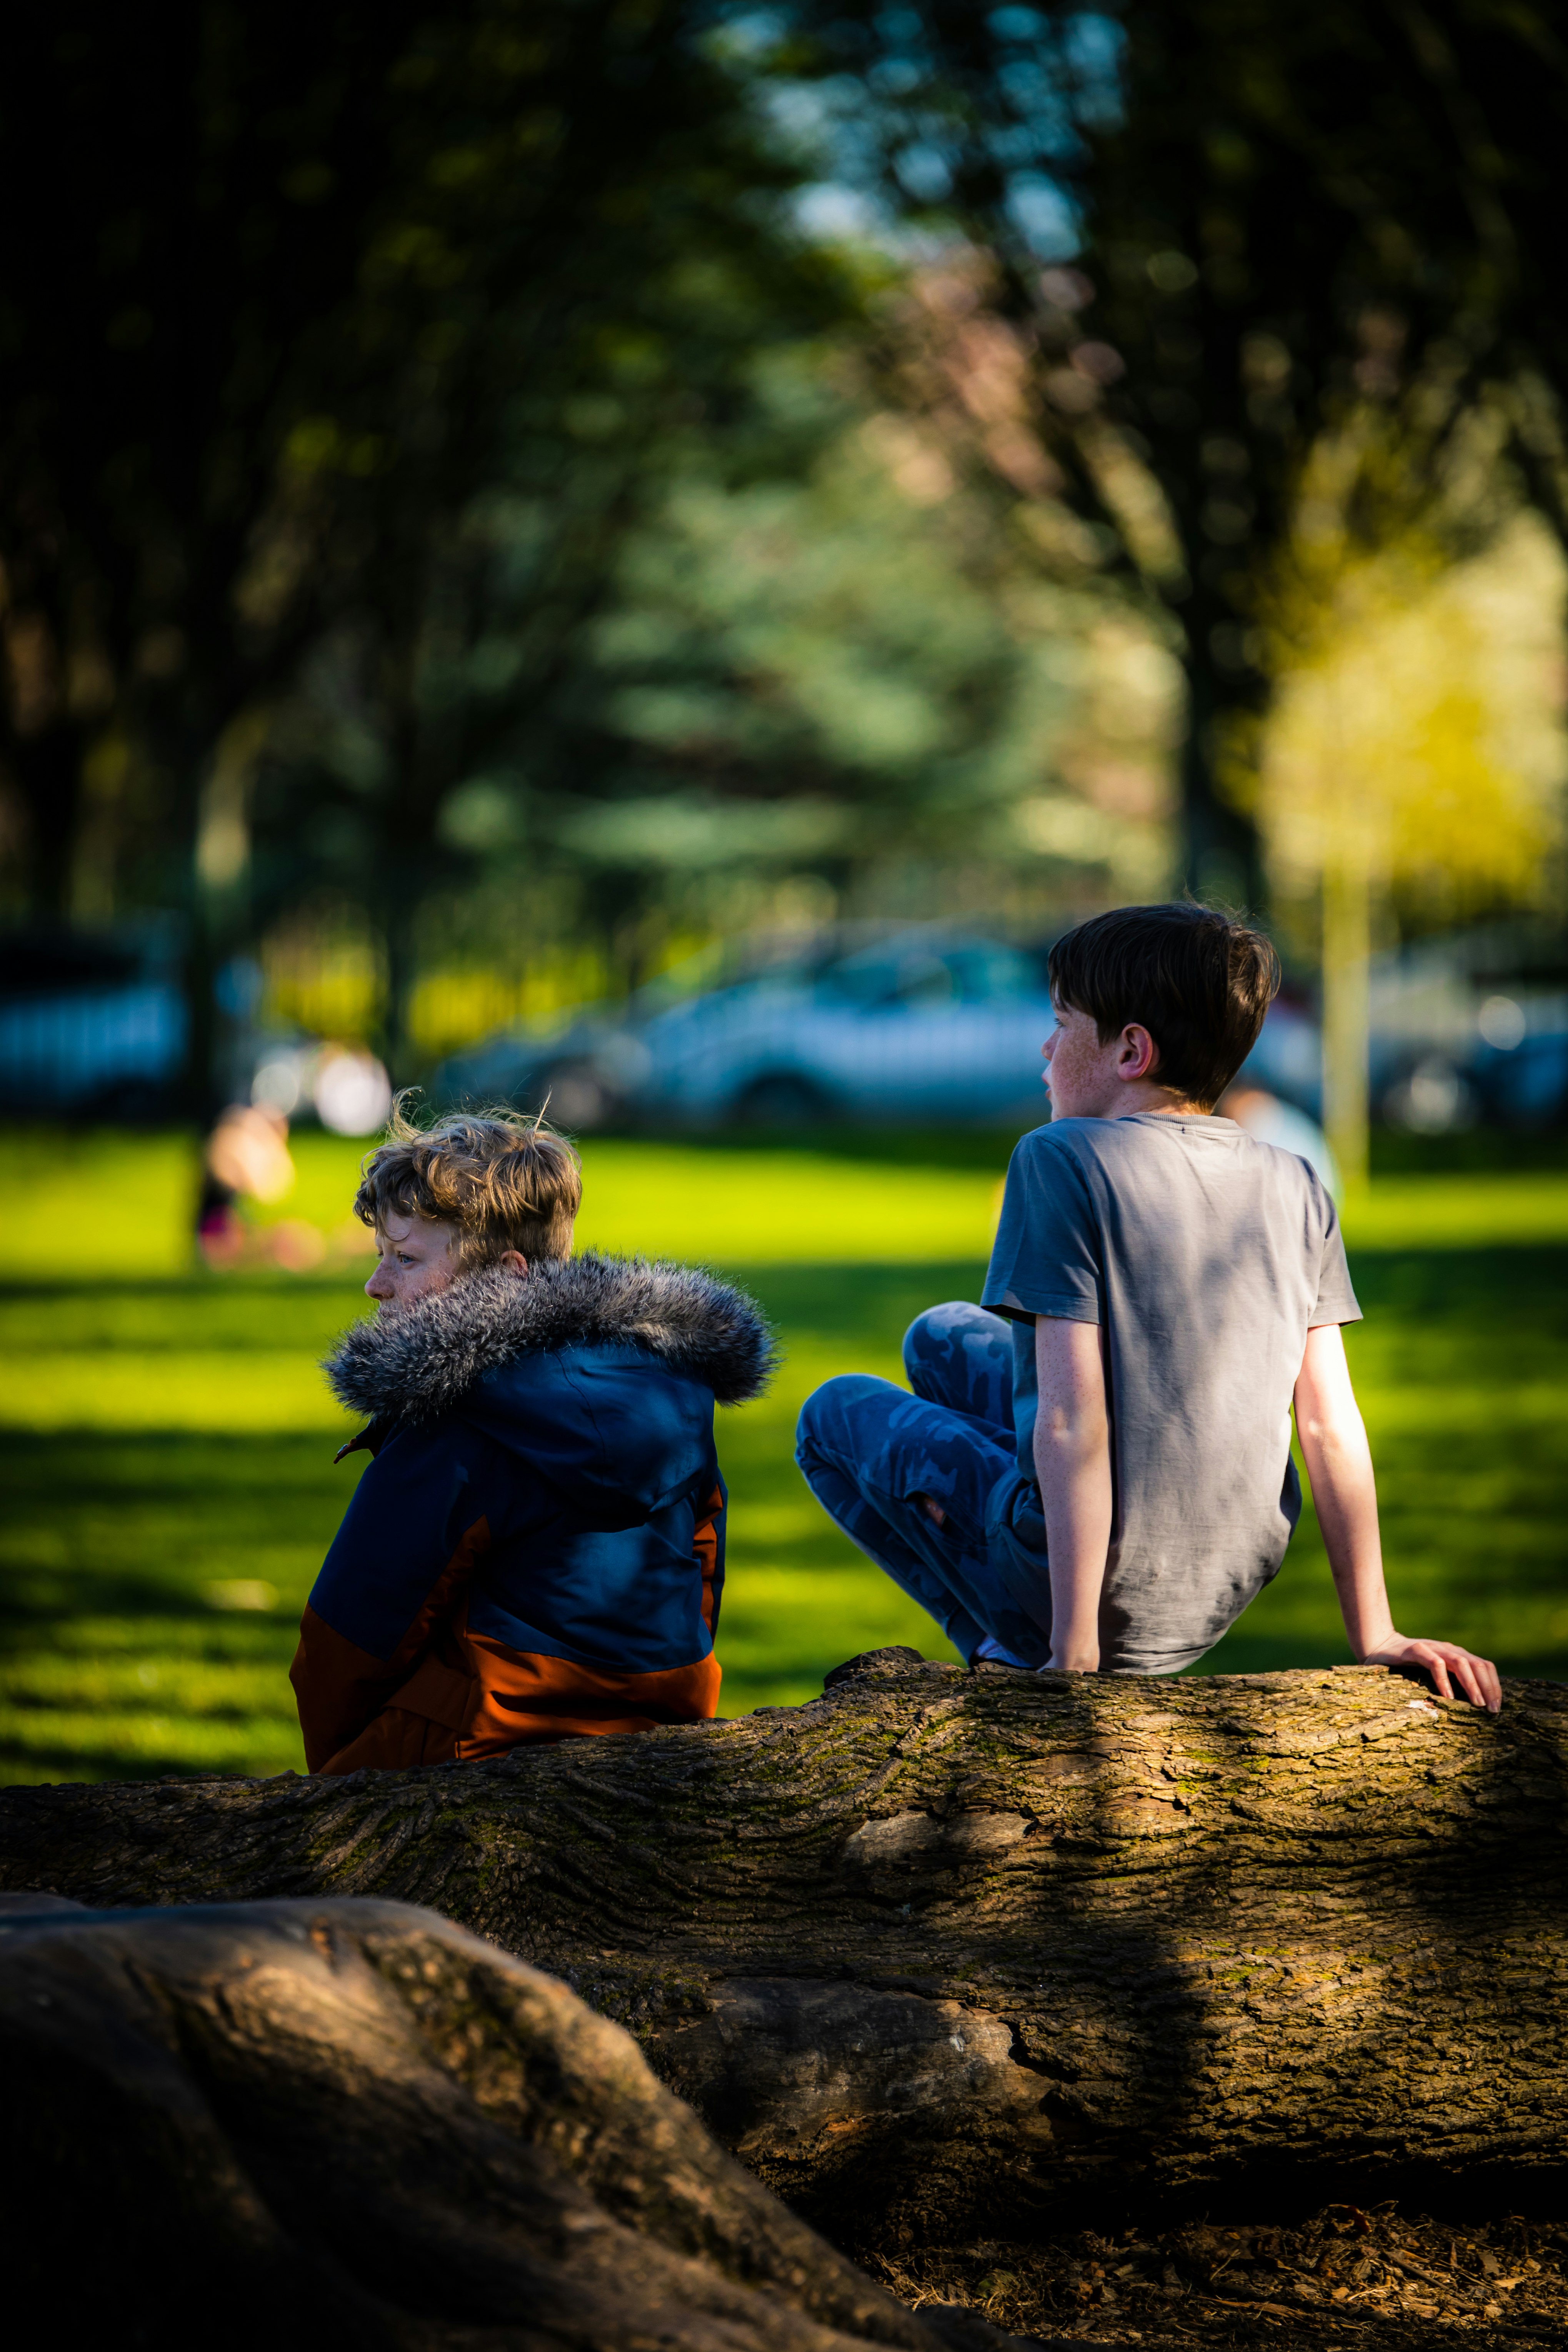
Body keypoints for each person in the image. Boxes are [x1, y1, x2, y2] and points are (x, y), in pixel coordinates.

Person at [796, 902, 1500, 1711]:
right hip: (1219, 1584)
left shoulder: (1059, 1159)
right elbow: (1327, 1423)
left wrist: (1075, 1650)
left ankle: (1007, 1646)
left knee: (831, 1414)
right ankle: (1032, 1614)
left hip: (1094, 1597)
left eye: (1062, 1024)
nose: (1045, 1048)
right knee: (941, 1337)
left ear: (1130, 1049)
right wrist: (1375, 1633)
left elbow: (1073, 1419)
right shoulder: (1297, 1182)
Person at [291, 1106, 775, 1773]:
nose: (377, 1286)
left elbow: (352, 1633)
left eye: (404, 1259)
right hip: (658, 1726)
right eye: (380, 1257)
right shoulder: (668, 1392)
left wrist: (333, 1778)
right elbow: (703, 1571)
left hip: (478, 1741)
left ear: (509, 1273)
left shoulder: (457, 1416)